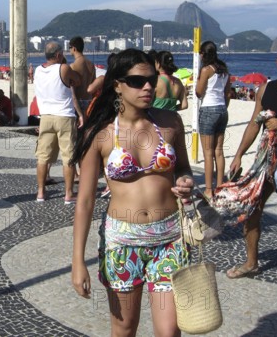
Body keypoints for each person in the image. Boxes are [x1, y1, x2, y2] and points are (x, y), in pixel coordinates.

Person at [71, 49, 194, 337]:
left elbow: (184, 168)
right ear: (117, 84)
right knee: (125, 328)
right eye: (137, 81)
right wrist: (78, 262)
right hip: (123, 243)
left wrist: (186, 181)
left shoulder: (170, 123)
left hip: (170, 239)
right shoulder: (99, 134)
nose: (148, 87)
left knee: (169, 330)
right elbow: (85, 201)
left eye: (151, 80)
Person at [225, 41, 277, 279]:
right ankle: (251, 262)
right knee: (251, 210)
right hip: (268, 161)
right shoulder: (266, 89)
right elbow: (255, 125)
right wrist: (239, 154)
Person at [34, 41, 81, 204]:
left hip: (45, 116)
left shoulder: (38, 70)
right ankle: (68, 194)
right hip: (64, 116)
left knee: (42, 157)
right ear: (59, 55)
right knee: (68, 156)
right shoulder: (63, 68)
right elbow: (77, 80)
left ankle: (40, 192)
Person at [196, 41, 231, 198]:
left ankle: (209, 190)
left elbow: (198, 92)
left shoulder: (206, 70)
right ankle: (220, 187)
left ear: (203, 54)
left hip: (208, 109)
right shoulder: (224, 70)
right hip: (222, 109)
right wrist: (223, 107)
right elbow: (228, 93)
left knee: (208, 152)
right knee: (219, 151)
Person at [69, 36, 96, 113]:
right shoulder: (91, 64)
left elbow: (72, 90)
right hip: (89, 101)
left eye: (69, 47)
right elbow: (93, 86)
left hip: (78, 102)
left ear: (74, 48)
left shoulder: (73, 66)